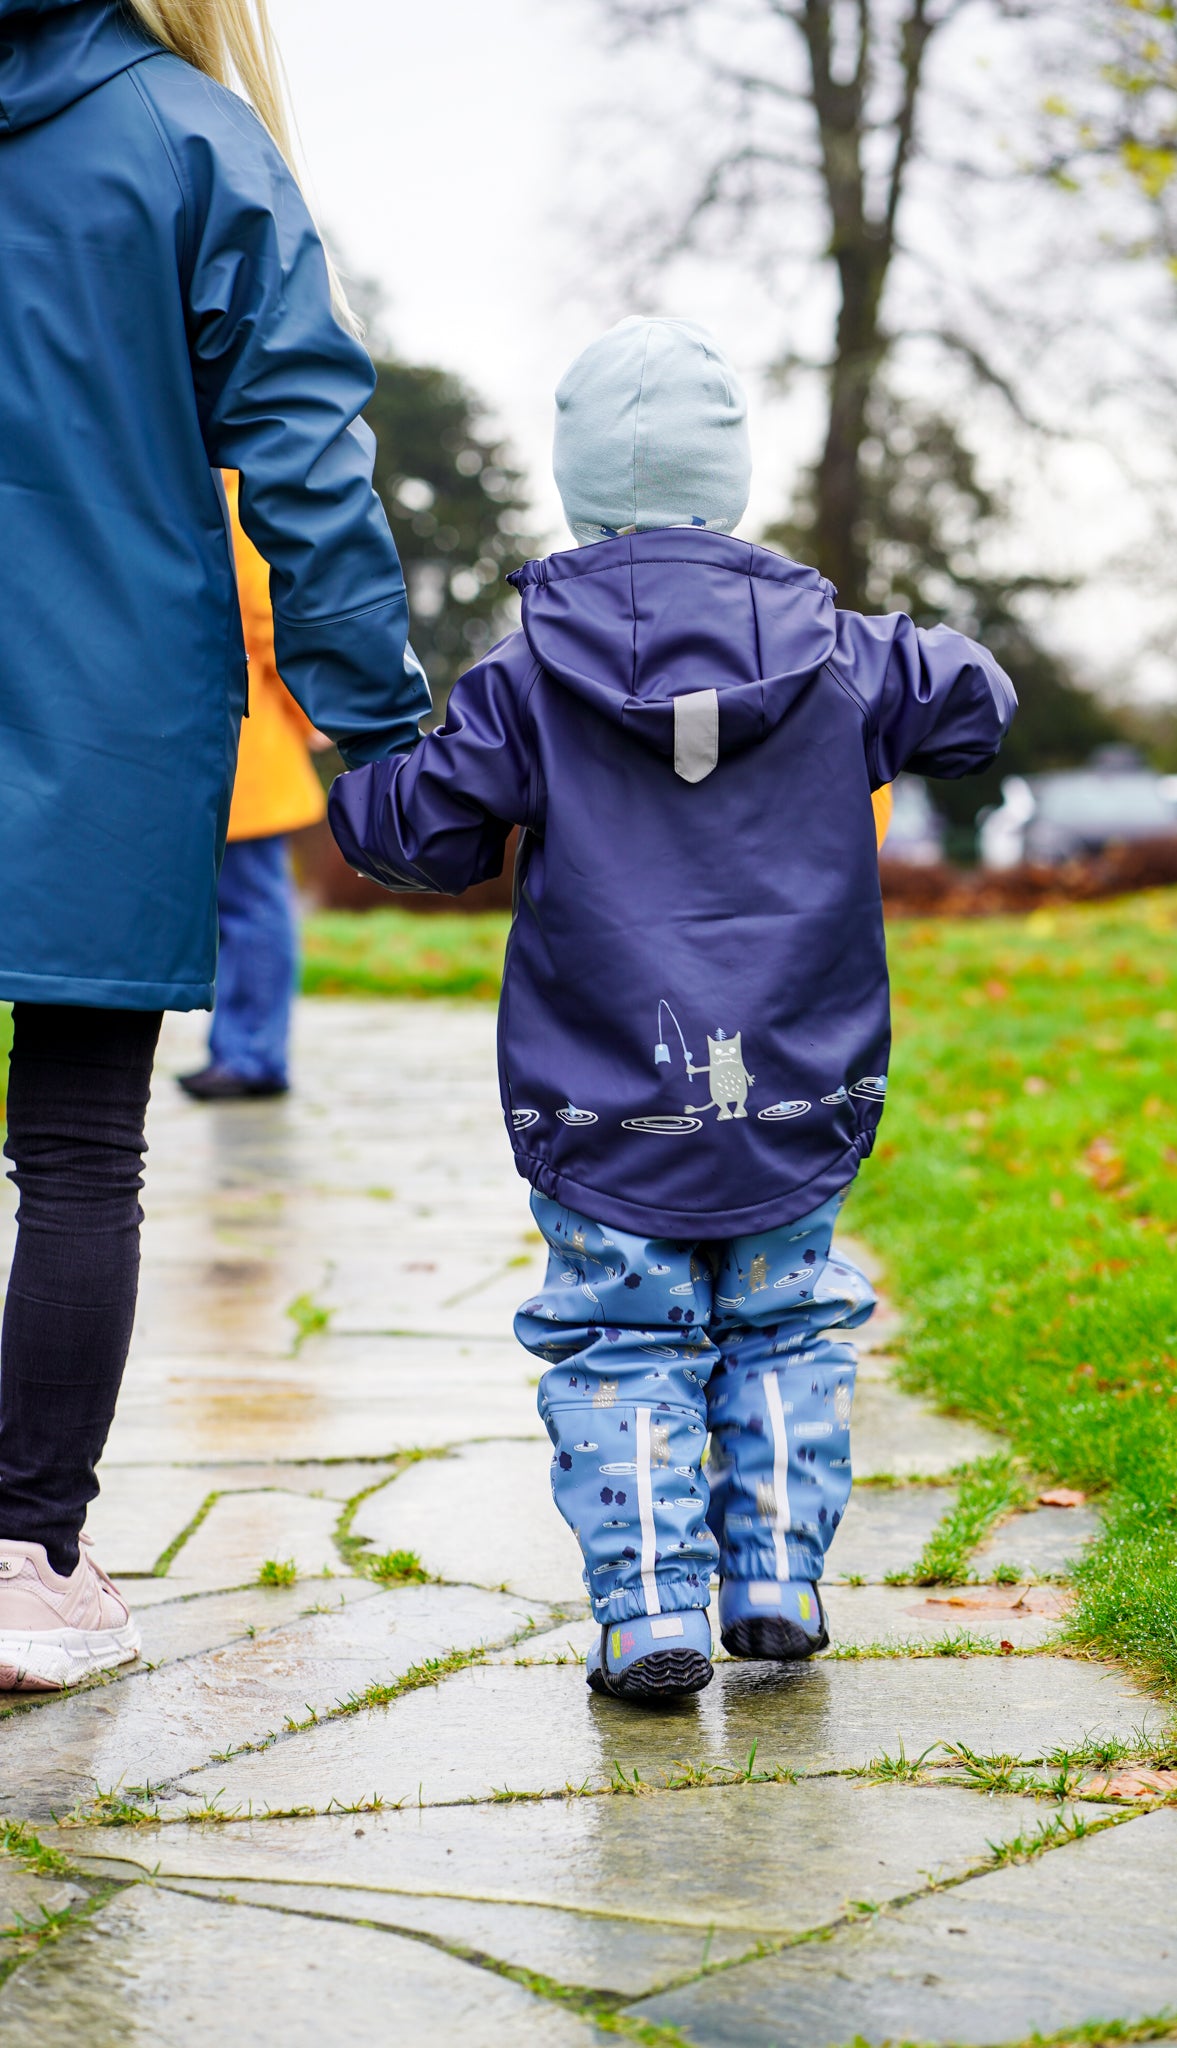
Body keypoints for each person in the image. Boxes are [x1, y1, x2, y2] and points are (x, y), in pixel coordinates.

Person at [330, 317, 1014, 1703]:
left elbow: (425, 833)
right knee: (788, 1323)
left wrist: (359, 768)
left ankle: (648, 1608)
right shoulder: (841, 653)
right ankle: (774, 1577)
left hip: (604, 1094)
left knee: (619, 1337)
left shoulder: (529, 677)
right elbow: (977, 702)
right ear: (732, 481)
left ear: (579, 489)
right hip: (797, 1084)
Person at [0, 0, 429, 1692]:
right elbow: (305, 452)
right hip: (100, 712)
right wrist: (379, 729)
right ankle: (28, 1560)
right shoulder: (190, 138)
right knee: (77, 1154)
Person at [179, 473, 327, 1102]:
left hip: (246, 738)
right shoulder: (231, 491)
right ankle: (238, 1050)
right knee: (243, 907)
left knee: (251, 906)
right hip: (240, 736)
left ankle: (253, 1057)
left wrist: (307, 715)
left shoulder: (226, 496)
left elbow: (267, 624)